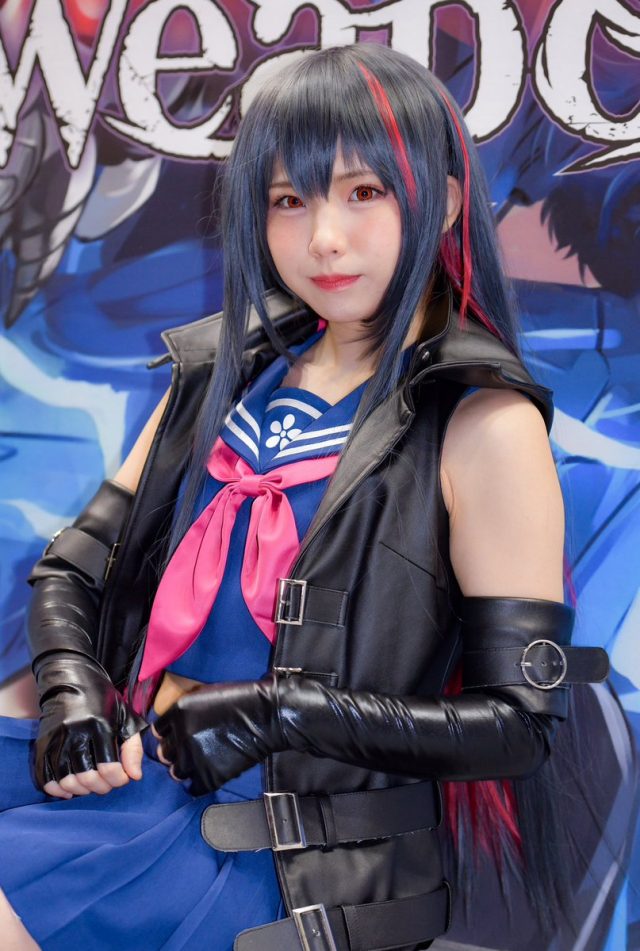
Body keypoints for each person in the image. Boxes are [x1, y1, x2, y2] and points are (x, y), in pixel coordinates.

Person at [0, 43, 609, 951]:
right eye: (290, 200)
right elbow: (72, 570)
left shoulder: (482, 418)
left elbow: (518, 727)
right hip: (138, 774)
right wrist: (71, 690)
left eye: (364, 192)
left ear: (443, 202)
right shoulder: (224, 373)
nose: (324, 237)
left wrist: (276, 710)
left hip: (283, 846)